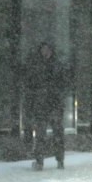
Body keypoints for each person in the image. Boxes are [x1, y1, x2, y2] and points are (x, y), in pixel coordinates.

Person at [22, 40, 69, 171]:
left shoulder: (57, 66)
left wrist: (58, 99)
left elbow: (63, 85)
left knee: (57, 134)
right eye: (43, 49)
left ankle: (60, 159)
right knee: (41, 135)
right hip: (41, 106)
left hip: (53, 105)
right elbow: (30, 86)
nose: (45, 52)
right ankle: (40, 161)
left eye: (47, 49)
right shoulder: (36, 66)